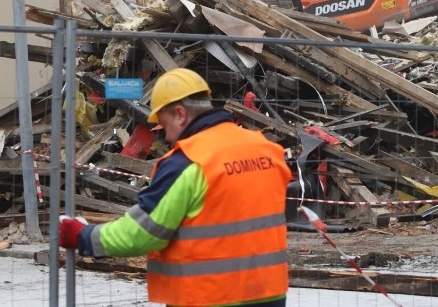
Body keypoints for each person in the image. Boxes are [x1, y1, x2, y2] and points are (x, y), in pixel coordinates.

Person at [58, 68, 291, 307]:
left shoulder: (186, 162)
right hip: (269, 293)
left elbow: (142, 234)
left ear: (180, 114)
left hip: (209, 296)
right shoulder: (267, 150)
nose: (167, 137)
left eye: (164, 124)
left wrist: (83, 236)